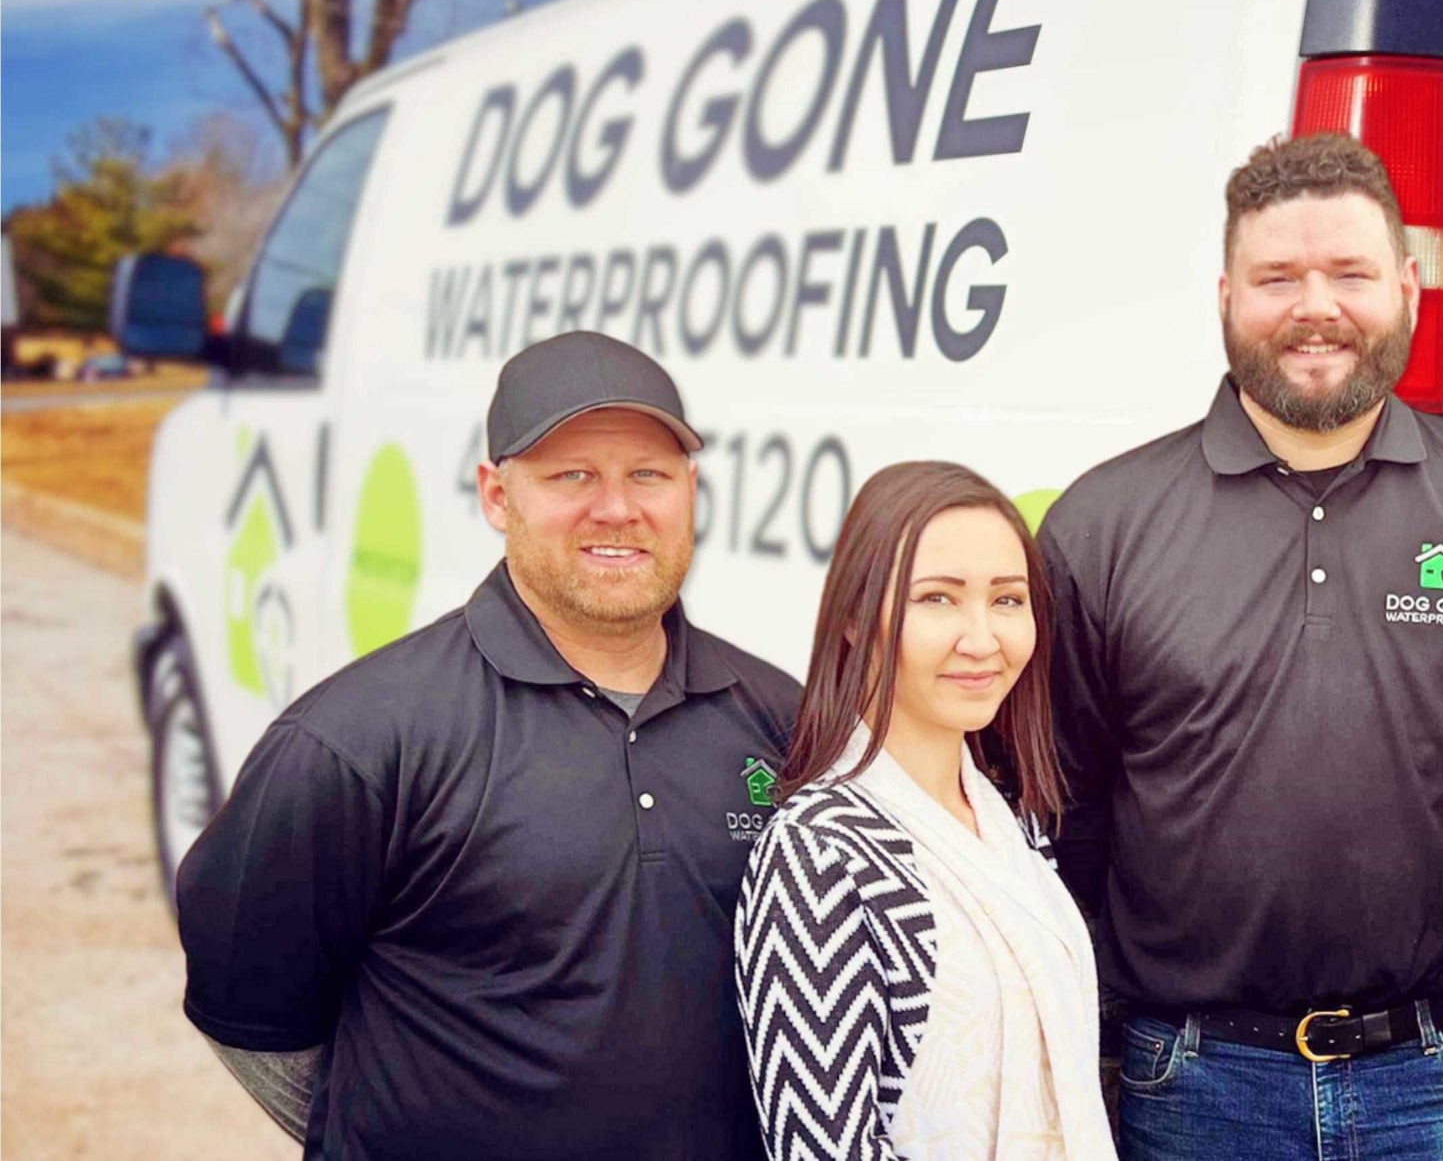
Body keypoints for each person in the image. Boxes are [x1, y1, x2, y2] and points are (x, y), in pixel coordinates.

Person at [1035, 132, 1443, 1160]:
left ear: (1409, 286)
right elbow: (1066, 811)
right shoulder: (1103, 525)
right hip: (1191, 1085)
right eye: (1276, 277)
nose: (1315, 306)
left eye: (1349, 273)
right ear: (1223, 294)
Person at [176, 330, 799, 1159]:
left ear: (690, 490)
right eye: (572, 475)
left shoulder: (780, 721)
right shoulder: (357, 741)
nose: (616, 508)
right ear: (498, 496)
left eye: (647, 474)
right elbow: (254, 1020)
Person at [733, 461, 1114, 1160]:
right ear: (854, 619)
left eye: (1007, 600)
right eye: (937, 600)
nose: (982, 639)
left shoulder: (1011, 819)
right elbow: (819, 1147)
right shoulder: (820, 851)